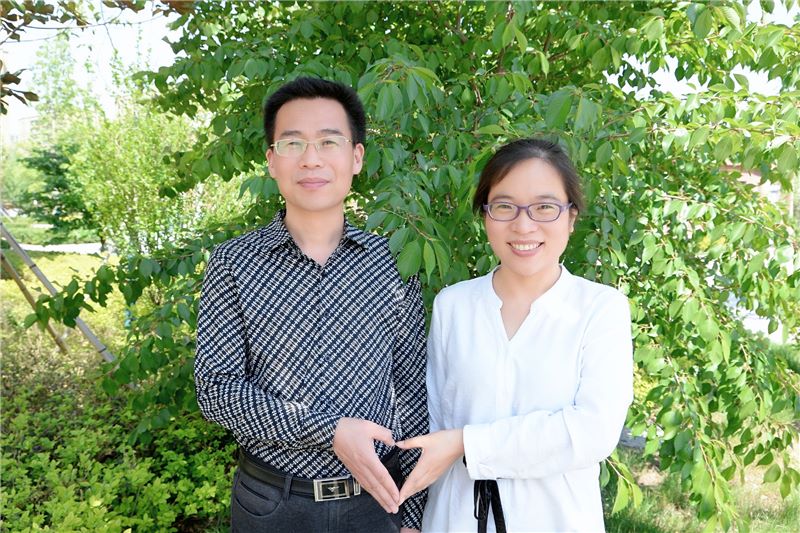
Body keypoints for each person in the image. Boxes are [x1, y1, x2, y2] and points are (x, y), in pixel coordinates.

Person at [194, 77, 428, 533]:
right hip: (273, 504)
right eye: (293, 143)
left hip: (377, 503)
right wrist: (332, 431)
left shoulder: (394, 262)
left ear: (356, 157)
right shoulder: (234, 263)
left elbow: (412, 391)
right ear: (271, 160)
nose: (311, 158)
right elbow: (216, 390)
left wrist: (414, 513)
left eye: (328, 141)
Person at [396, 138, 633, 532]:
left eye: (544, 207)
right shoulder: (453, 305)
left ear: (571, 217)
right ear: (485, 215)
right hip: (455, 518)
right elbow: (433, 420)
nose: (524, 225)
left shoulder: (600, 309)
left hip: (556, 520)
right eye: (504, 206)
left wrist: (468, 443)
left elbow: (592, 432)